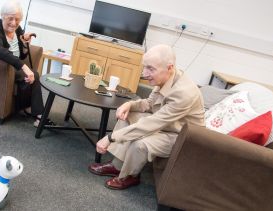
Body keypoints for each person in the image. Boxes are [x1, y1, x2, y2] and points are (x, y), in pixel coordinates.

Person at [88, 44, 205, 190]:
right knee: (128, 116)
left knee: (141, 143)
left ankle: (130, 176)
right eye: (145, 67)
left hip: (181, 137)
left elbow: (153, 123)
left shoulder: (184, 93)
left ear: (169, 67)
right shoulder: (166, 77)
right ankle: (118, 166)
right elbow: (150, 104)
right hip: (167, 125)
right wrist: (130, 105)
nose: (144, 73)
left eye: (150, 69)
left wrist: (110, 137)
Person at [0, 0, 53, 127]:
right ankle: (40, 116)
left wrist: (24, 43)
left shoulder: (17, 29)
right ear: (2, 16)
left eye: (17, 19)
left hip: (11, 68)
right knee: (33, 74)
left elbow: (22, 54)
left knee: (32, 77)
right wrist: (24, 67)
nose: (14, 23)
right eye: (10, 18)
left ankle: (37, 113)